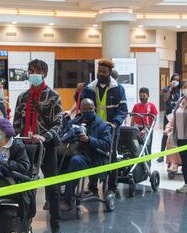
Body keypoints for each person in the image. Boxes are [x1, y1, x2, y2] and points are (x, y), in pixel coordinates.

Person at [12, 59, 66, 233]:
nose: (32, 73)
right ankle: (24, 224)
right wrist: (12, 140)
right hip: (26, 147)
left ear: (44, 73)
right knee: (26, 187)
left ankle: (56, 228)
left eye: (36, 70)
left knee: (53, 188)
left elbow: (59, 123)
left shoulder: (53, 96)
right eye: (30, 70)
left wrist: (46, 136)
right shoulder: (23, 97)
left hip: (46, 147)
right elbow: (16, 123)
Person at [80, 59, 128, 194]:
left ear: (109, 73)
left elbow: (123, 109)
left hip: (111, 128)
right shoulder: (89, 88)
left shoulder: (118, 88)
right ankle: (92, 186)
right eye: (99, 71)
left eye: (104, 72)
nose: (101, 74)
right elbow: (81, 105)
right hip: (94, 128)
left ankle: (112, 186)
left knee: (111, 156)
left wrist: (115, 124)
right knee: (93, 155)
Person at [59, 99, 112, 211]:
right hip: (74, 152)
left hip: (94, 157)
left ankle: (68, 199)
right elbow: (64, 131)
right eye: (85, 109)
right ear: (81, 110)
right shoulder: (76, 121)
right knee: (57, 158)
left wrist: (89, 140)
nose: (87, 111)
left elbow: (106, 145)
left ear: (94, 109)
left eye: (90, 109)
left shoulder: (102, 125)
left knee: (75, 161)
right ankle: (54, 197)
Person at [160, 73, 182, 162]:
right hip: (168, 115)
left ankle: (178, 155)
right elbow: (164, 99)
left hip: (178, 116)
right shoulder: (166, 88)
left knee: (179, 135)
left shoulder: (181, 90)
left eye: (177, 80)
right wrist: (170, 88)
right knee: (166, 134)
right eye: (174, 79)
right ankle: (161, 155)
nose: (175, 81)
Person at [131, 87, 158, 155]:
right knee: (137, 145)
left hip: (147, 129)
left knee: (148, 146)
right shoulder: (136, 106)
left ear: (148, 96)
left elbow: (155, 117)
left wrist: (151, 128)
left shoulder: (151, 106)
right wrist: (131, 127)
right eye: (140, 96)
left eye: (144, 96)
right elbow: (133, 117)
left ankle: (148, 163)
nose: (142, 98)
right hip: (137, 128)